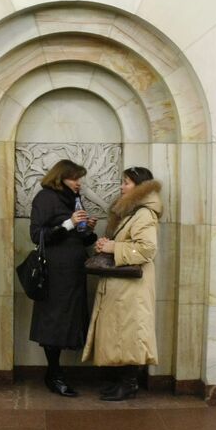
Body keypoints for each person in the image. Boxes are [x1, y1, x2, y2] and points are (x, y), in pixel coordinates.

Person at [84, 167, 161, 402]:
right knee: (121, 331)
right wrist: (108, 243)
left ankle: (129, 384)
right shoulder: (132, 212)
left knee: (130, 333)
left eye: (126, 183)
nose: (121, 186)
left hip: (132, 287)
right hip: (123, 285)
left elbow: (147, 249)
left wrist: (113, 248)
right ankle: (121, 382)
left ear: (139, 187)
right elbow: (128, 242)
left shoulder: (144, 214)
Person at [27, 159, 96, 397]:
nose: (79, 183)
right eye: (75, 178)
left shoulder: (73, 199)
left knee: (69, 320)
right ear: (60, 178)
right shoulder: (45, 198)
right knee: (54, 321)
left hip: (74, 270)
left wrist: (87, 229)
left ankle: (56, 373)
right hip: (55, 273)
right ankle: (54, 374)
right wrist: (69, 224)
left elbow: (83, 239)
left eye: (79, 179)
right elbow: (37, 235)